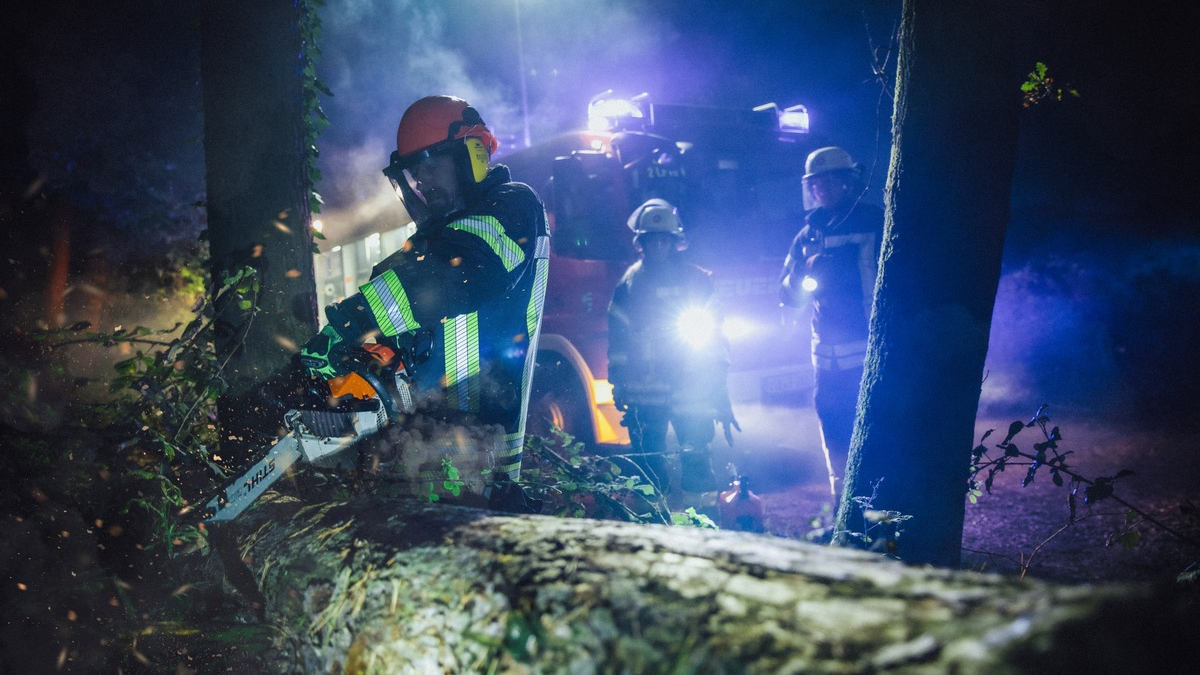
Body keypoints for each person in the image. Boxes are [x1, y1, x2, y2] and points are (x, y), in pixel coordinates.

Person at [298, 95, 550, 484]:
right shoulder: (431, 242)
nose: (423, 182)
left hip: (482, 469)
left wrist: (351, 320)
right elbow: (405, 323)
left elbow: (458, 274)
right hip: (417, 462)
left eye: (431, 167)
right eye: (416, 173)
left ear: (473, 156)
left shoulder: (514, 207)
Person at [607, 198, 739, 496]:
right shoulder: (629, 284)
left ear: (676, 242)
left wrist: (719, 390)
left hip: (690, 389)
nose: (658, 248)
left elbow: (716, 341)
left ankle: (703, 530)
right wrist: (618, 382)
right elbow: (617, 339)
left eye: (664, 241)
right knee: (648, 469)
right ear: (641, 243)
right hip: (644, 392)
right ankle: (654, 530)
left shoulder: (697, 281)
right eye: (651, 241)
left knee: (696, 462)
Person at [779, 146, 883, 499]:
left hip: (873, 355)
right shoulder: (808, 234)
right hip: (827, 362)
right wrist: (804, 273)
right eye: (816, 182)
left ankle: (880, 521)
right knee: (836, 438)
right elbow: (788, 295)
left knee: (876, 438)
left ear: (849, 181)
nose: (822, 187)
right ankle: (845, 517)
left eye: (830, 179)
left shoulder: (875, 222)